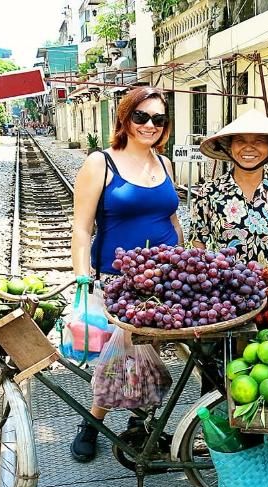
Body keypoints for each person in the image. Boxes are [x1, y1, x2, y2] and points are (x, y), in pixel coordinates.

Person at [69, 86, 183, 462]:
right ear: (126, 117)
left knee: (148, 351)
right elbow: (82, 228)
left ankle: (140, 418)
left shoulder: (164, 164)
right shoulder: (101, 163)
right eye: (142, 116)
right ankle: (94, 421)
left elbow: (170, 217)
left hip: (167, 277)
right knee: (119, 355)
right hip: (119, 277)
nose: (150, 124)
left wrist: (185, 260)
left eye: (158, 119)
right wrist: (82, 278)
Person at [191, 108, 268, 267]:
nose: (249, 147)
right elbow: (198, 241)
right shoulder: (210, 191)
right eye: (240, 141)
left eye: (259, 141)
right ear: (230, 147)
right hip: (224, 287)